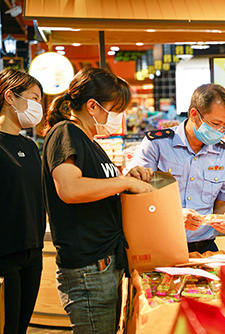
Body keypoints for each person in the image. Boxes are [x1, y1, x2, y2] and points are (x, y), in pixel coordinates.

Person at [42, 67, 155, 334]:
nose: (119, 116)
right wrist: (125, 182)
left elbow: (99, 189)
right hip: (87, 269)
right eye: (115, 108)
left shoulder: (89, 141)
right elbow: (69, 189)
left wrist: (128, 178)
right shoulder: (65, 133)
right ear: (92, 106)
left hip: (104, 264)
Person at [127, 83, 225, 253]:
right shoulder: (157, 144)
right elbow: (135, 197)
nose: (220, 132)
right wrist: (173, 215)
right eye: (215, 124)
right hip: (160, 245)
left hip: (205, 247)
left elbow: (222, 203)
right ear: (194, 114)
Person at [0, 69, 44, 334]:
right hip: (5, 253)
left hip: (33, 250)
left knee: (21, 327)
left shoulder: (29, 146)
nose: (38, 106)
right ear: (9, 97)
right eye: (33, 98)